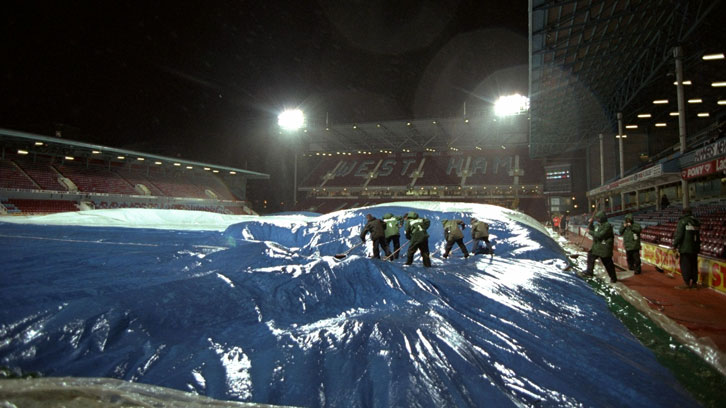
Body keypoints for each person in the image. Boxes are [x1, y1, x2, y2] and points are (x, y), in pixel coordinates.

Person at [582, 211, 617, 283]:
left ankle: (613, 278)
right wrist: (591, 224)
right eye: (597, 218)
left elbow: (600, 235)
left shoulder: (607, 226)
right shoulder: (598, 225)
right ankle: (589, 272)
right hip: (597, 247)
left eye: (598, 218)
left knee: (608, 263)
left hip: (604, 248)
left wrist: (590, 232)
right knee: (591, 255)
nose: (597, 219)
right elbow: (594, 231)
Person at [673, 207, 701, 288]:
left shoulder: (683, 221)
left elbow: (679, 235)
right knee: (694, 265)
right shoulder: (696, 221)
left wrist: (675, 245)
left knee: (685, 265)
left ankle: (686, 283)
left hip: (685, 248)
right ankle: (694, 283)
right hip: (695, 247)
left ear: (683, 213)